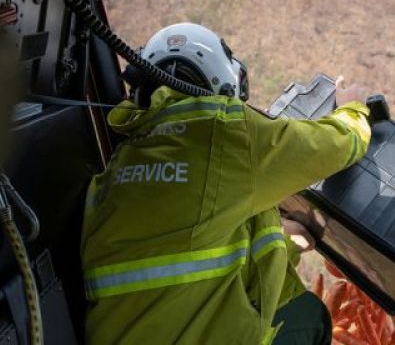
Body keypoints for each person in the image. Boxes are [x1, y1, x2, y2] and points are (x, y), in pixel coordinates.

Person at [80, 22, 371, 344]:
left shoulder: (122, 163)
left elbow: (189, 250)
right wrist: (353, 109)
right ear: (224, 81)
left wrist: (286, 243)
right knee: (309, 317)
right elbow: (336, 146)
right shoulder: (223, 134)